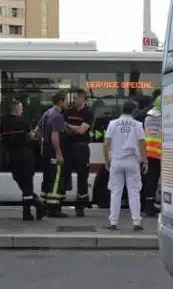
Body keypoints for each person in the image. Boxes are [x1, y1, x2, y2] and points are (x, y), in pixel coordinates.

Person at [103, 99, 148, 231]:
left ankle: (113, 222)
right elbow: (142, 143)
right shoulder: (137, 125)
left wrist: (107, 160)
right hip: (132, 160)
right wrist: (145, 160)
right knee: (134, 192)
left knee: (115, 191)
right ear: (134, 111)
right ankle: (136, 222)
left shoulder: (113, 124)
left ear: (122, 109)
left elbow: (106, 144)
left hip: (116, 160)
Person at [0, 99, 43, 221]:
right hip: (25, 155)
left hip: (12, 156)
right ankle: (29, 211)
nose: (23, 110)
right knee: (28, 185)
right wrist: (37, 133)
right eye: (22, 109)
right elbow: (31, 136)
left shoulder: (3, 123)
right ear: (17, 110)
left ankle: (38, 206)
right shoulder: (23, 122)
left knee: (22, 183)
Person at [61, 87, 95, 217]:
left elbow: (82, 131)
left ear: (82, 98)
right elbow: (62, 128)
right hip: (68, 147)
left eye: (75, 98)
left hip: (82, 148)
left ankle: (80, 207)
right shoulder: (68, 111)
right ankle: (58, 204)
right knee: (65, 175)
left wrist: (68, 126)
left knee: (83, 177)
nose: (73, 101)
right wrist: (74, 128)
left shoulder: (88, 113)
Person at [35, 91, 68, 218]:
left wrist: (43, 145)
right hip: (54, 152)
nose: (67, 103)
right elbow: (55, 137)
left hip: (46, 152)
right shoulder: (58, 116)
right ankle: (54, 209)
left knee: (47, 178)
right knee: (56, 179)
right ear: (60, 101)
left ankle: (44, 206)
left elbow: (37, 131)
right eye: (66, 100)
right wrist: (59, 154)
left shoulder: (47, 113)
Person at [141, 93, 163, 217]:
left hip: (149, 152)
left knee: (151, 180)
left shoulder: (148, 117)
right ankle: (152, 206)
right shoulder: (164, 118)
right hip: (160, 153)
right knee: (158, 181)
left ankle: (148, 205)